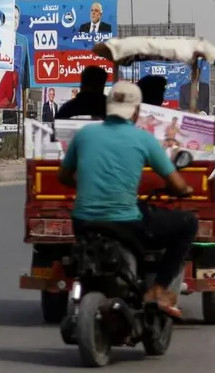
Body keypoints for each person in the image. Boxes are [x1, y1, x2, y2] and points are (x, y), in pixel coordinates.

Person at [57, 81, 198, 318]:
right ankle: (159, 290)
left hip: (82, 222)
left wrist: (89, 186)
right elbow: (176, 184)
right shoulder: (143, 139)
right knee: (188, 223)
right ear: (135, 111)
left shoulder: (84, 135)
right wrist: (185, 190)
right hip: (126, 223)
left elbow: (63, 176)